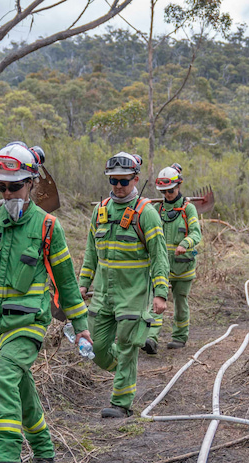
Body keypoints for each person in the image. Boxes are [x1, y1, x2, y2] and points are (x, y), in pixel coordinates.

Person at [0, 141, 91, 463]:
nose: (6, 192)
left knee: (3, 380)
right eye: (0, 186)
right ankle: (46, 457)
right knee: (21, 389)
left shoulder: (47, 227)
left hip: (27, 326)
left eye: (14, 186)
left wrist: (82, 328)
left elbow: (67, 283)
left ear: (31, 183)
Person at [78, 152, 169, 418]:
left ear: (135, 179)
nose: (118, 186)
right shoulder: (100, 210)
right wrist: (83, 283)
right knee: (95, 348)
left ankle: (121, 403)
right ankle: (125, 369)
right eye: (114, 180)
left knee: (128, 346)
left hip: (134, 294)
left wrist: (160, 293)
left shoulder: (146, 213)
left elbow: (159, 255)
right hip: (103, 294)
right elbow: (91, 251)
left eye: (124, 181)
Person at [143, 163, 201, 352]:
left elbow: (196, 233)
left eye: (171, 191)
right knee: (157, 301)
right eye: (164, 191)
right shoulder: (157, 210)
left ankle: (179, 337)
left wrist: (185, 244)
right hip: (161, 267)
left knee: (180, 303)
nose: (167, 195)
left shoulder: (188, 209)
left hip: (183, 268)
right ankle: (151, 338)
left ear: (178, 187)